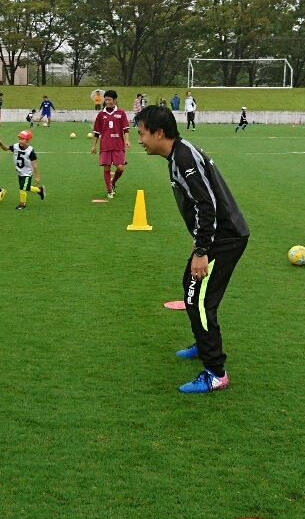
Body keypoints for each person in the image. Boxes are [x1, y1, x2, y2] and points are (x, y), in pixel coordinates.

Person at [134, 104, 250, 395]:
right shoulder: (179, 153)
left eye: (142, 134)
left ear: (160, 133)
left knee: (198, 300)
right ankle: (203, 344)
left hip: (224, 239)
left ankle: (215, 373)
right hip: (217, 237)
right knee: (190, 286)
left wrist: (202, 250)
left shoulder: (184, 157)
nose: (140, 140)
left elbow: (206, 204)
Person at [91, 89, 130, 199]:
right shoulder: (101, 114)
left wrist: (127, 140)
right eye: (106, 100)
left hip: (118, 145)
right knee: (106, 169)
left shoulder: (121, 113)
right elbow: (97, 132)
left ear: (115, 100)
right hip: (105, 145)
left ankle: (113, 182)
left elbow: (126, 129)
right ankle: (109, 190)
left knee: (121, 168)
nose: (107, 102)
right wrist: (94, 145)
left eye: (109, 100)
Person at [0, 129, 45, 210]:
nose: (20, 141)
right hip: (20, 172)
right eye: (19, 139)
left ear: (28, 140)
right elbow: (6, 148)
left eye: (22, 139)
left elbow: (34, 165)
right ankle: (39, 190)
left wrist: (37, 176)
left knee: (22, 188)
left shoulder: (30, 151)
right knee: (26, 187)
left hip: (27, 173)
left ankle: (22, 204)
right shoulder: (15, 146)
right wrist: (0, 142)